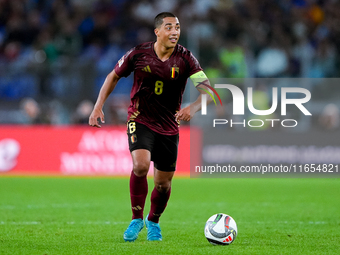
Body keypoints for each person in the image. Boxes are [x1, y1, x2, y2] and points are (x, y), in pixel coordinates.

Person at [89, 12, 211, 242]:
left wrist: (193, 108)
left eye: (177, 27)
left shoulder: (186, 58)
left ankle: (153, 221)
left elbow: (209, 92)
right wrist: (98, 107)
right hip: (140, 119)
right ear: (157, 31)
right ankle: (136, 218)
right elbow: (112, 77)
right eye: (169, 27)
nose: (175, 31)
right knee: (141, 165)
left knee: (163, 185)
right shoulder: (138, 54)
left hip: (169, 126)